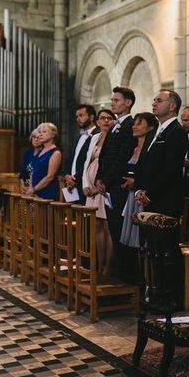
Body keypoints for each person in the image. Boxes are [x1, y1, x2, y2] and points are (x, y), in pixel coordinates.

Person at [135, 90, 189, 301]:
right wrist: (140, 189)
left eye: (159, 100)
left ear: (172, 106)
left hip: (167, 200)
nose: (154, 103)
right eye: (154, 99)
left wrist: (151, 193)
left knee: (167, 249)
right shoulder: (155, 131)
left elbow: (170, 169)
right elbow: (144, 164)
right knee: (153, 248)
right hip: (150, 198)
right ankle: (156, 290)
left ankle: (172, 296)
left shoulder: (177, 132)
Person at [95, 87, 138, 248]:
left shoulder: (130, 125)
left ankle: (123, 271)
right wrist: (99, 178)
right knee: (113, 228)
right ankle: (117, 270)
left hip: (118, 185)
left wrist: (105, 180)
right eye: (112, 100)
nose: (112, 103)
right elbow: (104, 155)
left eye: (116, 100)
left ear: (128, 103)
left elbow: (122, 157)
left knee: (120, 230)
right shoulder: (113, 126)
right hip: (107, 186)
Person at [82, 109, 116, 277]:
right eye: (103, 118)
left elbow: (111, 164)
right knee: (96, 226)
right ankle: (99, 263)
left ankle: (108, 267)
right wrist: (85, 185)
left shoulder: (115, 137)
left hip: (104, 187)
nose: (106, 121)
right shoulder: (94, 137)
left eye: (110, 118)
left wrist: (98, 186)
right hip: (91, 188)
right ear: (97, 121)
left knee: (107, 226)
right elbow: (87, 162)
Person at [119, 112, 158, 249]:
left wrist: (136, 182)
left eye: (139, 123)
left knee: (143, 236)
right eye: (134, 124)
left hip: (142, 193)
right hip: (130, 194)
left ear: (151, 127)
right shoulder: (133, 147)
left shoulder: (151, 148)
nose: (134, 127)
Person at [63, 104, 97, 204]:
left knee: (86, 217)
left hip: (85, 184)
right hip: (72, 185)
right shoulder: (78, 137)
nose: (78, 119)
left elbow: (91, 162)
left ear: (91, 117)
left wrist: (75, 179)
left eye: (81, 115)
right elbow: (69, 159)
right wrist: (67, 176)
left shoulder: (97, 135)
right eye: (77, 116)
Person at [25, 123, 62, 200]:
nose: (40, 135)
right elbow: (32, 171)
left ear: (53, 135)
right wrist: (31, 188)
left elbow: (50, 177)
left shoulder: (55, 153)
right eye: (40, 132)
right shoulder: (40, 150)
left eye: (44, 132)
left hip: (47, 191)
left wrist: (34, 189)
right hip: (34, 191)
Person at [19, 128, 42, 193]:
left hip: (37, 187)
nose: (36, 139)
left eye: (39, 137)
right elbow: (23, 171)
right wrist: (22, 185)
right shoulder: (27, 153)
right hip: (25, 186)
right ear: (31, 138)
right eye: (34, 137)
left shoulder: (43, 153)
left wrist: (32, 188)